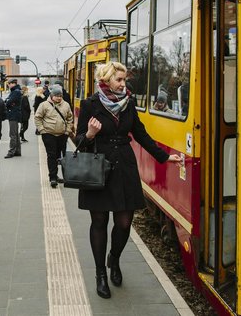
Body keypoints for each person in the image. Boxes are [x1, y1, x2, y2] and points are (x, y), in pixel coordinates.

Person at [75, 61, 182, 299]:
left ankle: (114, 257)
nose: (124, 84)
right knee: (100, 221)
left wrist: (165, 157)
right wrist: (90, 134)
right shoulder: (90, 104)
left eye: (124, 80)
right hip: (98, 168)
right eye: (119, 80)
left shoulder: (128, 104)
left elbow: (141, 135)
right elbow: (79, 140)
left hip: (124, 167)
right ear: (106, 81)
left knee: (124, 223)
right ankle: (100, 273)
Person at [34, 85, 74, 188]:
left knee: (60, 156)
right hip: (49, 135)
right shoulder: (44, 105)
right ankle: (53, 177)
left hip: (62, 135)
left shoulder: (66, 105)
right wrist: (42, 130)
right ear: (52, 96)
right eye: (56, 96)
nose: (59, 98)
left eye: (60, 95)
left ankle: (61, 176)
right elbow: (37, 117)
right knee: (51, 156)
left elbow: (70, 118)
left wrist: (67, 131)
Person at [4, 78, 22, 158]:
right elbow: (8, 101)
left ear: (13, 83)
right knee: (16, 134)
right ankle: (17, 151)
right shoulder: (16, 91)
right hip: (14, 114)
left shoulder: (15, 92)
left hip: (13, 115)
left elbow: (8, 102)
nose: (8, 85)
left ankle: (11, 151)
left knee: (12, 134)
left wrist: (8, 101)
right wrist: (8, 101)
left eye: (9, 83)